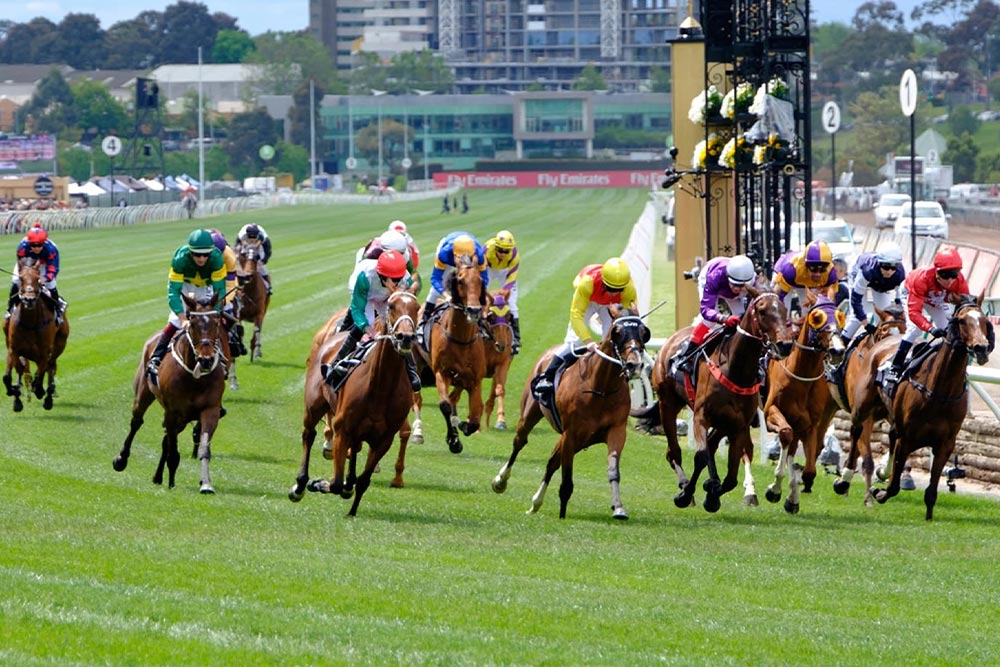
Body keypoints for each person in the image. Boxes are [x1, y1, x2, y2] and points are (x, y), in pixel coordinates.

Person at [534, 257, 637, 397]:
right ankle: (546, 376)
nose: (613, 292)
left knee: (614, 341)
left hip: (610, 305)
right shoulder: (587, 283)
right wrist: (588, 341)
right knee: (573, 341)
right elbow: (576, 315)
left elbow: (629, 319)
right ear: (603, 281)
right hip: (588, 300)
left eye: (618, 289)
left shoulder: (629, 288)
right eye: (610, 288)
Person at [322, 250, 421, 391]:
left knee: (396, 327)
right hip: (366, 293)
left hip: (385, 294)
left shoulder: (403, 278)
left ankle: (411, 369)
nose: (398, 282)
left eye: (399, 279)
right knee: (367, 321)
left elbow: (408, 298)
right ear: (383, 276)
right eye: (394, 280)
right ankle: (336, 364)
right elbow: (357, 309)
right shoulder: (364, 277)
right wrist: (369, 330)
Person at [880, 246, 970, 387]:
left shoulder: (959, 281)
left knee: (949, 330)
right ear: (937, 272)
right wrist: (930, 329)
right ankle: (895, 366)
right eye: (946, 275)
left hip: (935, 298)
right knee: (915, 330)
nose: (950, 280)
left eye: (954, 274)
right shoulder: (921, 279)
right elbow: (914, 313)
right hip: (911, 292)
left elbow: (966, 307)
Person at [146, 229, 226, 385]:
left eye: (205, 255)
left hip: (206, 288)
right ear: (190, 252)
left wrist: (215, 312)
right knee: (175, 321)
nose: (202, 258)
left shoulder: (217, 259)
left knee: (212, 322)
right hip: (185, 287)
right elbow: (173, 293)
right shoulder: (180, 259)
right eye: (197, 254)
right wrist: (183, 318)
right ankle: (156, 358)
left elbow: (219, 291)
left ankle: (222, 356)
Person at [672, 254, 756, 375]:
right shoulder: (715, 277)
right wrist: (723, 318)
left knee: (742, 320)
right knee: (710, 321)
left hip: (728, 285)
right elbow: (706, 310)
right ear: (728, 277)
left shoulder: (753, 281)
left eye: (741, 286)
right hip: (710, 279)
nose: (737, 289)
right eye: (734, 284)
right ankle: (686, 355)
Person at [417, 231, 488, 331]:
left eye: (468, 258)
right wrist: (446, 295)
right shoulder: (444, 254)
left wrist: (475, 296)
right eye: (461, 258)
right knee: (434, 291)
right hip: (448, 254)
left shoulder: (479, 255)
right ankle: (423, 322)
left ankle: (481, 323)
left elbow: (484, 280)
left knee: (474, 284)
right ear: (455, 255)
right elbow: (435, 279)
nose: (464, 261)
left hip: (470, 256)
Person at [840, 243, 905, 346]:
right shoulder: (868, 270)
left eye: (894, 267)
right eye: (886, 266)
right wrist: (865, 324)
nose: (889, 271)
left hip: (880, 286)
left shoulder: (900, 274)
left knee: (884, 317)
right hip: (859, 276)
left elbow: (900, 303)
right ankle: (839, 350)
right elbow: (855, 300)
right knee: (856, 319)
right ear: (879, 263)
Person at [7, 223, 64, 324]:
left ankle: (58, 310)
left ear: (44, 243)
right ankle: (10, 308)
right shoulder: (22, 248)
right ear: (29, 243)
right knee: (16, 281)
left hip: (44, 263)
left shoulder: (51, 250)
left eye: (39, 245)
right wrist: (24, 276)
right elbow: (21, 264)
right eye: (33, 245)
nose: (36, 248)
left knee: (51, 284)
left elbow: (53, 268)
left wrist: (45, 278)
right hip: (27, 263)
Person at [772, 240, 838, 315]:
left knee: (809, 311)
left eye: (823, 269)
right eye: (813, 268)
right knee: (783, 309)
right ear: (805, 265)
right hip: (786, 273)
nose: (818, 274)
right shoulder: (791, 269)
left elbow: (830, 303)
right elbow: (777, 298)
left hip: (804, 280)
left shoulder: (831, 273)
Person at [208, 228, 246, 357]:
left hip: (224, 281)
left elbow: (230, 282)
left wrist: (224, 300)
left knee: (229, 308)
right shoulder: (199, 252)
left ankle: (233, 338)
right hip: (201, 281)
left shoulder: (229, 255)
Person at [484, 230, 521, 354]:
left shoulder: (514, 256)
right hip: (488, 269)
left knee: (512, 304)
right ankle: (480, 329)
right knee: (480, 299)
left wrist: (505, 291)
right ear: (496, 246)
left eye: (507, 251)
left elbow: (512, 277)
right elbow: (481, 272)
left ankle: (516, 338)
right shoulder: (487, 250)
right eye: (500, 250)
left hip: (505, 271)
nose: (503, 254)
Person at [357, 229, 422, 295]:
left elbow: (414, 274)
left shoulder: (405, 255)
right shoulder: (370, 257)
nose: (398, 258)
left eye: (400, 254)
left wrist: (409, 288)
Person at [234, 223, 272, 294]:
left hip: (259, 248)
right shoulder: (242, 236)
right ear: (246, 235)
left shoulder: (264, 238)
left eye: (254, 237)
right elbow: (235, 250)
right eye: (250, 237)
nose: (252, 239)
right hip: (245, 247)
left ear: (258, 235)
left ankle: (268, 287)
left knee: (263, 270)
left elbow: (268, 252)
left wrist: (262, 262)